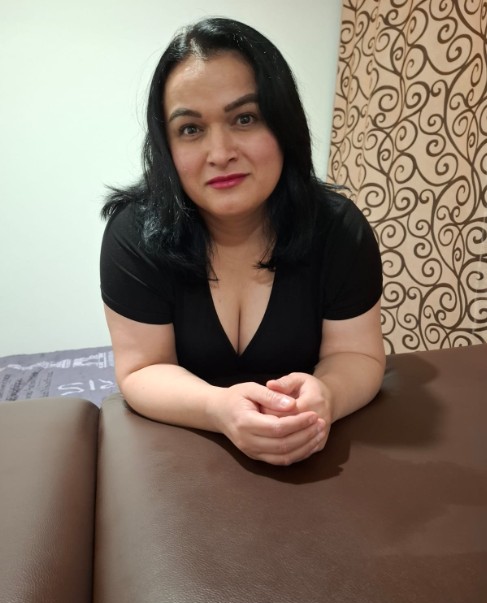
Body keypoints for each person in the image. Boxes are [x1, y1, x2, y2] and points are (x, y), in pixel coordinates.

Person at [100, 17, 385, 466]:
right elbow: (142, 368)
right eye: (190, 129)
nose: (220, 153)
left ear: (284, 124)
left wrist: (327, 394)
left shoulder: (340, 229)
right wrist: (217, 408)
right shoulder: (136, 234)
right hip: (182, 459)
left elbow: (357, 354)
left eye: (245, 118)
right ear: (166, 146)